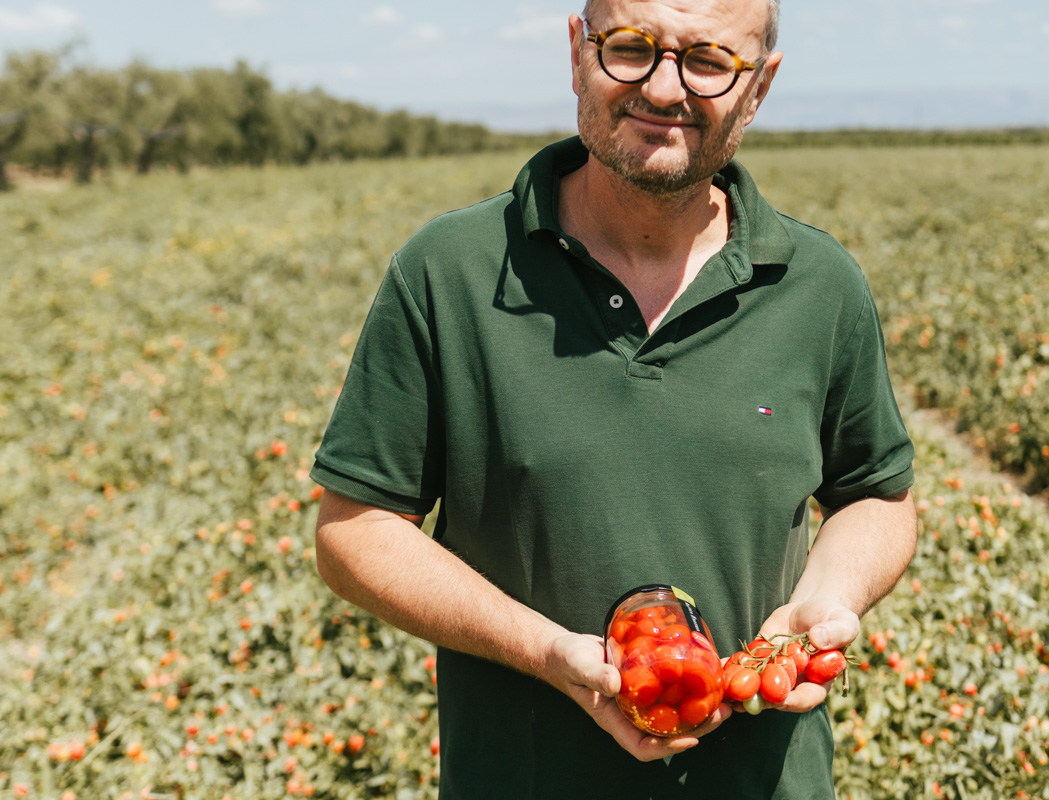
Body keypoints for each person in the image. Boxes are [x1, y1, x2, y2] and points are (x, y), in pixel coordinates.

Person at [311, 0, 918, 796]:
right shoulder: (447, 272)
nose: (664, 89)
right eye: (630, 48)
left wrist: (827, 598)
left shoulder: (819, 286)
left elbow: (876, 496)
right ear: (577, 50)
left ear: (760, 86)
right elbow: (354, 531)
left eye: (708, 61)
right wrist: (541, 651)